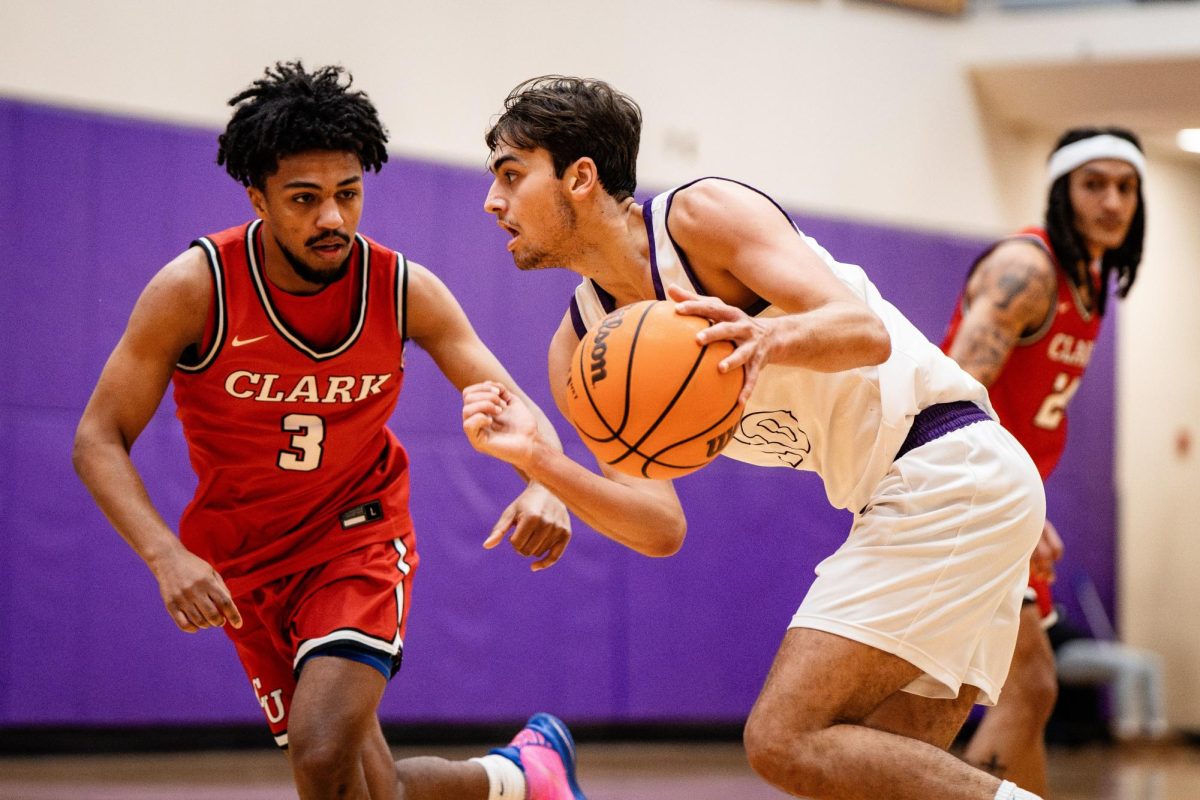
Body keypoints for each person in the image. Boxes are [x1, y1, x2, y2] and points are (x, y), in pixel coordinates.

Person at [463, 76, 1047, 800]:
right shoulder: (580, 350)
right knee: (877, 778)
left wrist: (766, 335)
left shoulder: (700, 218)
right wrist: (540, 462)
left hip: (945, 467)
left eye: (512, 177)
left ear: (580, 177)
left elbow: (862, 333)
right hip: (934, 494)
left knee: (782, 739)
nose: (493, 203)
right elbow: (659, 526)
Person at [72, 62, 587, 800]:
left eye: (348, 195)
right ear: (258, 198)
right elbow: (98, 438)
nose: (333, 219)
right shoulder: (195, 288)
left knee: (318, 751)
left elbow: (503, 395)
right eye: (304, 200)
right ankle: (518, 775)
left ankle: (519, 774)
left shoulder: (401, 287)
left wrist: (546, 480)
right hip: (244, 563)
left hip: (358, 537)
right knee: (363, 788)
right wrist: (165, 556)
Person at [941, 127, 1145, 794]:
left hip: (1000, 496)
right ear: (1063, 191)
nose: (1113, 201)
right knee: (1018, 688)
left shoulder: (1091, 283)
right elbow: (953, 393)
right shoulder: (1027, 271)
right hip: (964, 491)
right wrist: (1016, 505)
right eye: (1094, 184)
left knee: (1027, 690)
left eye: (1126, 186)